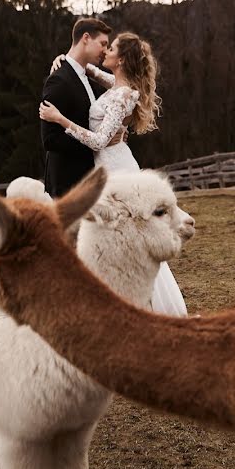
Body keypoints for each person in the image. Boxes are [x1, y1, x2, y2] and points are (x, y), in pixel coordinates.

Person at [39, 32, 188, 317]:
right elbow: (90, 71)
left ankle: (150, 304)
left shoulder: (124, 95)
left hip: (116, 168)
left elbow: (98, 141)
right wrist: (65, 58)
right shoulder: (118, 85)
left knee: (132, 234)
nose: (105, 51)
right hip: (108, 165)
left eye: (111, 48)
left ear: (120, 60)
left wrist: (60, 119)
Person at [40, 18, 123, 197]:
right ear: (86, 38)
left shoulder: (86, 75)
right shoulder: (59, 79)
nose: (105, 50)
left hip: (87, 180)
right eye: (102, 43)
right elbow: (50, 139)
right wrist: (96, 143)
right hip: (68, 186)